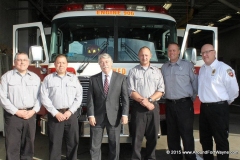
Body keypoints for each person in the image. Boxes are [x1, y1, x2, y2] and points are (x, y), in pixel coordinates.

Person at [198, 44, 239, 160]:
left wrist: (225, 103)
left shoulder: (224, 69)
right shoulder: (202, 69)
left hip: (219, 108)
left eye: (208, 52)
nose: (205, 55)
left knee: (220, 140)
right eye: (202, 53)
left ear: (214, 52)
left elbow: (234, 90)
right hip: (204, 108)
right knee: (205, 139)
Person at [87, 53, 129, 160]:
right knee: (94, 146)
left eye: (106, 62)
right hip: (97, 117)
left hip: (114, 117)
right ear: (99, 64)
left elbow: (125, 98)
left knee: (114, 145)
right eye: (101, 62)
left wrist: (125, 114)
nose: (104, 64)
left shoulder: (121, 78)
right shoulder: (93, 79)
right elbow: (90, 99)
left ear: (111, 63)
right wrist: (90, 115)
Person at [40, 54, 83, 160]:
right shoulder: (48, 79)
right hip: (55, 115)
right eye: (58, 62)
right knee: (55, 143)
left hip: (71, 115)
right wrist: (56, 113)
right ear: (55, 64)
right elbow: (44, 97)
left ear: (67, 64)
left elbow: (79, 97)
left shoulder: (73, 79)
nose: (61, 65)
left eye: (63, 63)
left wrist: (70, 111)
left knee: (73, 142)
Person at [0, 52, 41, 160]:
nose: (22, 62)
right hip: (13, 116)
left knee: (28, 145)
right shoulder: (6, 77)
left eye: (24, 60)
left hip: (30, 115)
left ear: (28, 62)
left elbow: (40, 97)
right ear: (14, 62)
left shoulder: (35, 78)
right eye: (19, 60)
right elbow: (2, 97)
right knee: (12, 145)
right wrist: (16, 111)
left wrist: (33, 111)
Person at [161, 42, 198, 160]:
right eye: (169, 50)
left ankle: (190, 158)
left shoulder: (187, 66)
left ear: (178, 52)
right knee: (172, 136)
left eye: (174, 50)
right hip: (170, 105)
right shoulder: (164, 67)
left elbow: (195, 85)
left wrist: (188, 100)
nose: (171, 52)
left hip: (184, 105)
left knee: (187, 135)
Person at [127, 46, 165, 160]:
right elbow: (131, 91)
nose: (144, 57)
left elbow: (161, 90)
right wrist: (144, 102)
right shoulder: (133, 71)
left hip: (153, 107)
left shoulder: (157, 71)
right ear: (139, 56)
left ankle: (151, 157)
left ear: (150, 56)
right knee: (137, 137)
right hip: (138, 108)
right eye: (142, 55)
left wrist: (149, 101)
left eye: (146, 55)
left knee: (153, 136)